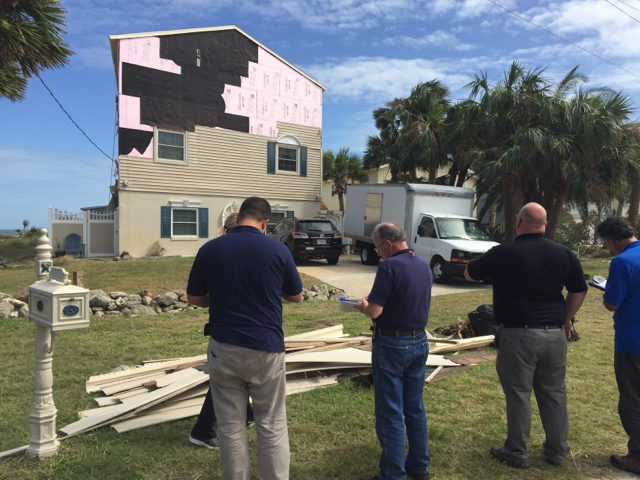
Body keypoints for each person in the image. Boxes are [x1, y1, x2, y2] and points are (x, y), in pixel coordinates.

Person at [187, 197, 303, 480]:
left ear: (238, 217)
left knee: (229, 425)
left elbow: (194, 298)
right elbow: (296, 295)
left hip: (223, 347)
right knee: (272, 422)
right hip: (266, 349)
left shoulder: (210, 249)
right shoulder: (278, 250)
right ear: (265, 223)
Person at [464, 202, 588, 469]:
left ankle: (517, 452)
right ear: (543, 225)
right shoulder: (564, 253)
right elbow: (579, 290)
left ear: (519, 222)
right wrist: (566, 318)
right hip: (554, 335)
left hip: (517, 334)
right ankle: (557, 451)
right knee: (554, 392)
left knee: (519, 394)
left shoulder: (503, 253)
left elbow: (469, 273)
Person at [357, 223, 433, 480]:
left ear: (388, 244)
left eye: (378, 248)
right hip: (419, 341)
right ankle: (419, 465)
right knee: (414, 407)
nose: (378, 253)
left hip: (392, 344)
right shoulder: (422, 265)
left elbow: (375, 312)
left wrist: (364, 305)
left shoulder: (389, 266)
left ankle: (392, 474)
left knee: (389, 411)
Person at [189, 211, 255, 450]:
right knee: (223, 382)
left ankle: (246, 414)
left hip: (231, 330)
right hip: (231, 330)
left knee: (234, 377)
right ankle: (202, 430)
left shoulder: (216, 250)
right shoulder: (220, 252)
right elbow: (195, 296)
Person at [596, 217, 640, 475]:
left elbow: (612, 303)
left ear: (611, 242)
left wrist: (605, 289)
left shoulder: (622, 262)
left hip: (631, 342)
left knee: (632, 399)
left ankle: (637, 455)